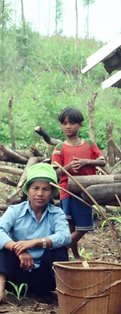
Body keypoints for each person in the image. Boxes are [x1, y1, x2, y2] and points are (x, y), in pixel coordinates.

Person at [0, 163, 71, 306]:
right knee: (1, 247)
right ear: (28, 190)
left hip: (45, 278)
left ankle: (65, 293)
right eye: (35, 188)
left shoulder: (56, 213)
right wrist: (17, 248)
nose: (40, 193)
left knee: (59, 250)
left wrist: (36, 242)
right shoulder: (15, 210)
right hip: (18, 273)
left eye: (45, 189)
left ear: (52, 193)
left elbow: (65, 236)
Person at [50, 106, 105, 259]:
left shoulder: (89, 144)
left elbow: (102, 162)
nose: (67, 126)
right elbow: (54, 172)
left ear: (80, 125)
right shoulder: (59, 148)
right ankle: (73, 254)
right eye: (64, 123)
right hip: (66, 191)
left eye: (72, 123)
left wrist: (85, 162)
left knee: (84, 226)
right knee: (70, 225)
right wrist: (67, 167)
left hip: (86, 190)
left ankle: (60, 250)